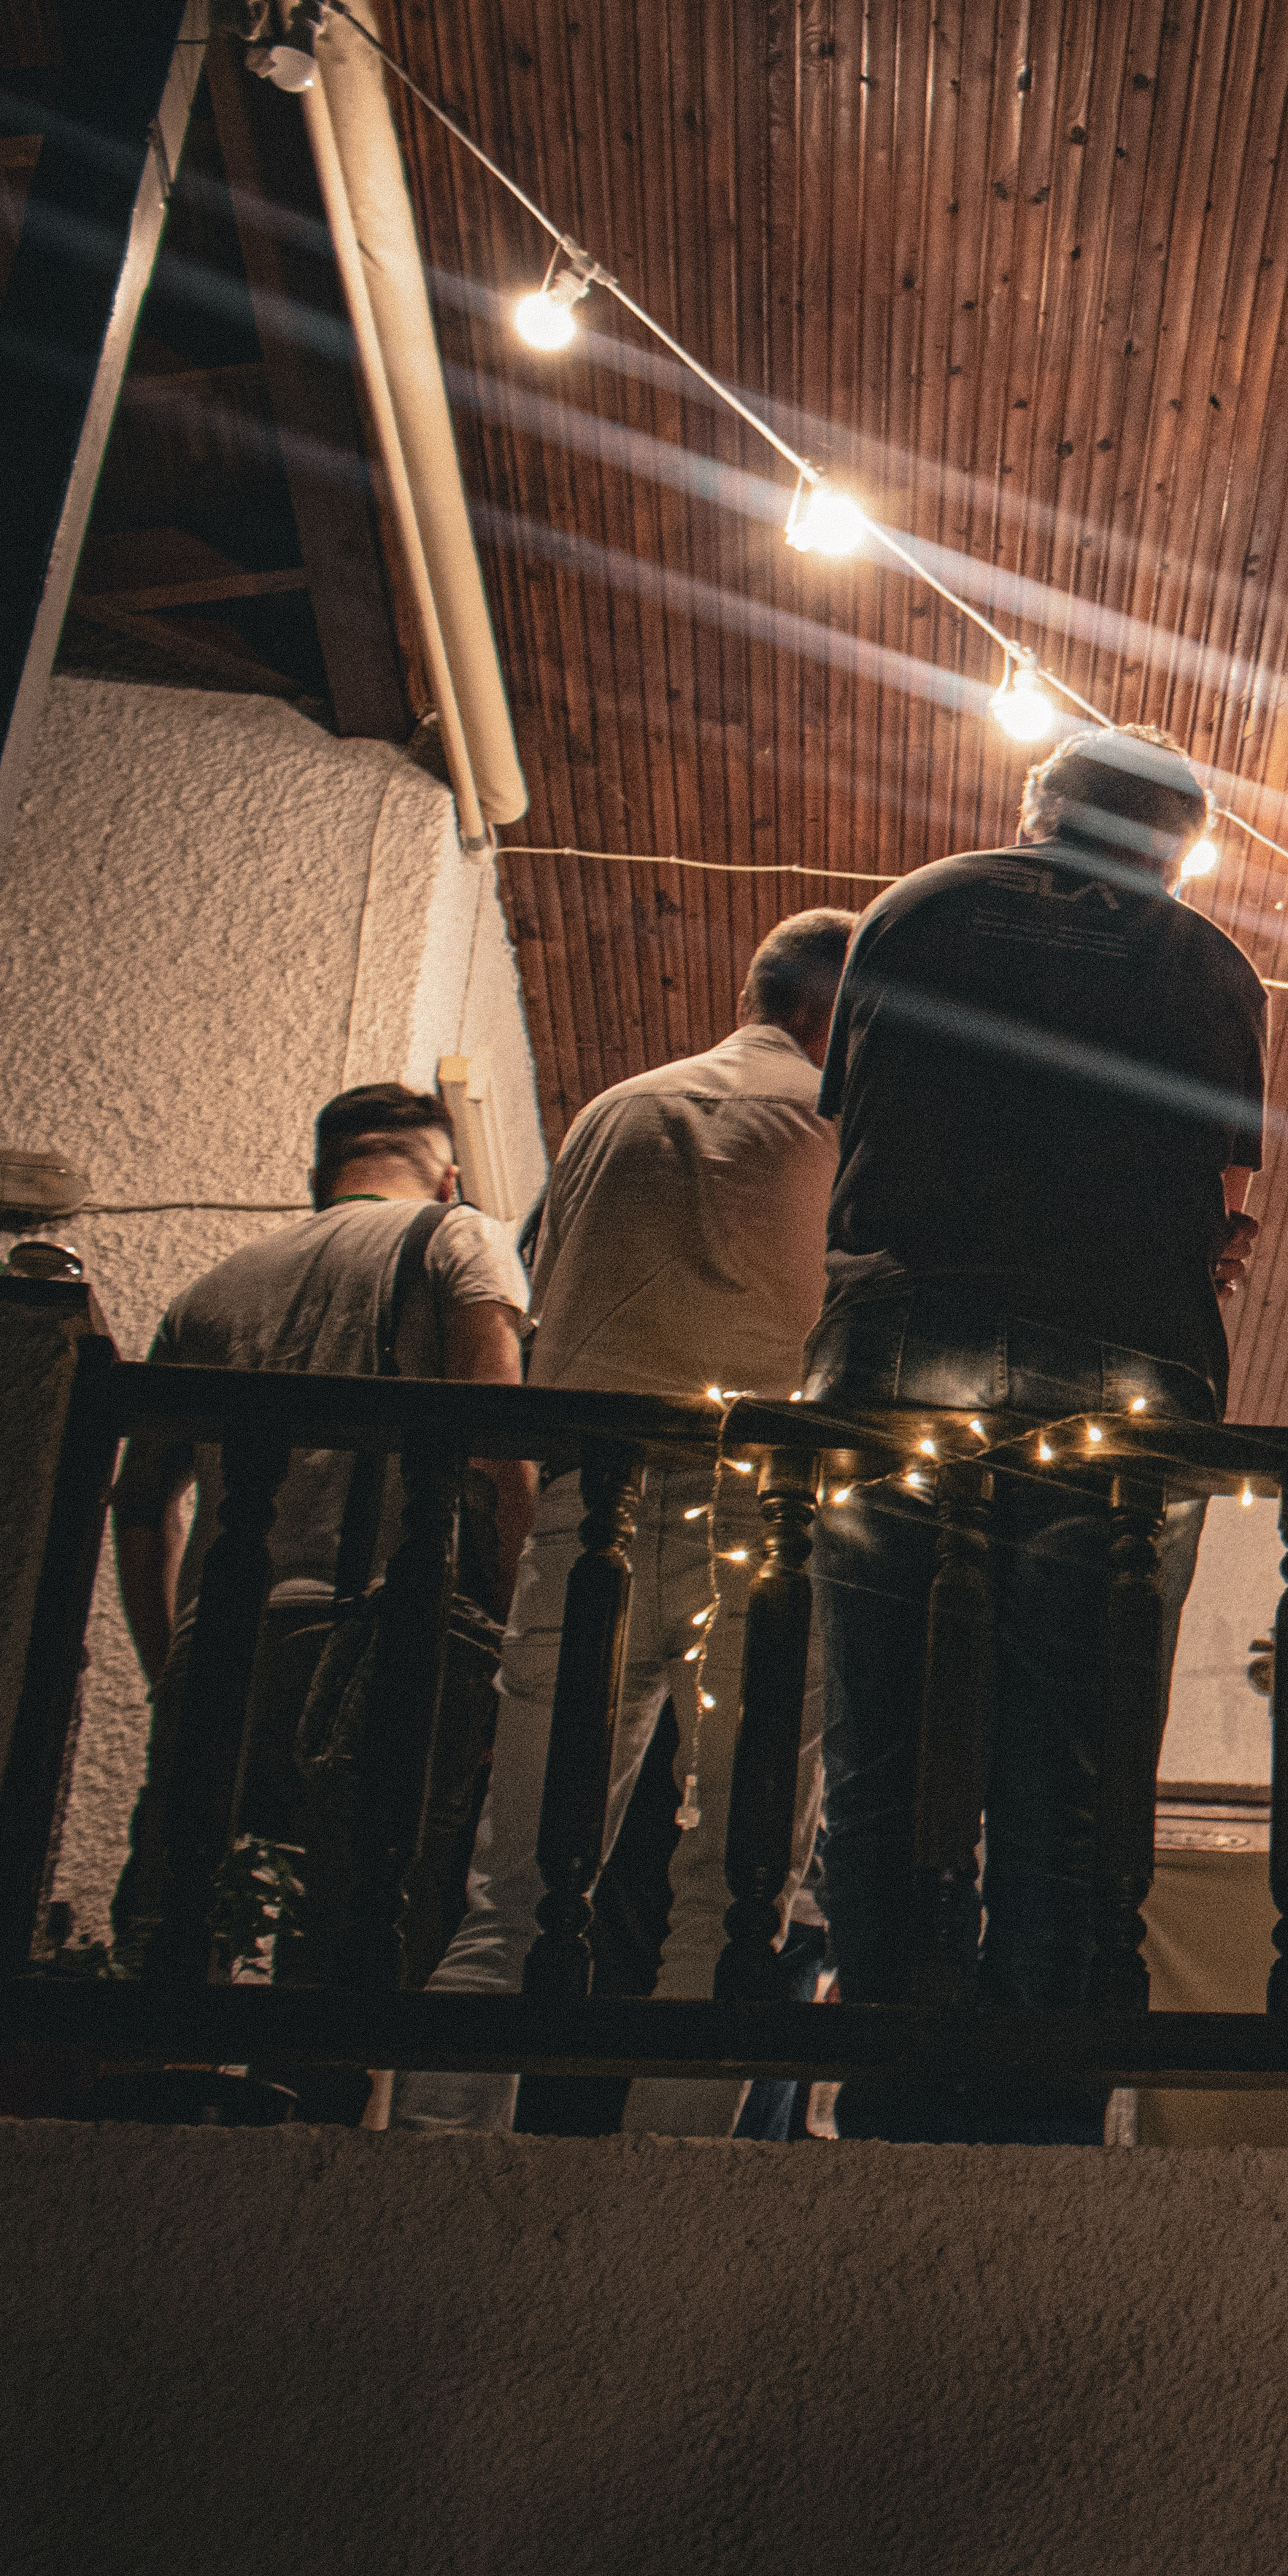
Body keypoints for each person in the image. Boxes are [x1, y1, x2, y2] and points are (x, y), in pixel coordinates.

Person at [806, 728, 1265, 2146]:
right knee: (1075, 1752)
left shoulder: (919, 905)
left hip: (903, 1345)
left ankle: (888, 2065)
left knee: (886, 1723)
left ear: (1035, 811)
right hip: (1126, 1368)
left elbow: (861, 1132)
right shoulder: (1213, 969)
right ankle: (1047, 2094)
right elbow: (1214, 1188)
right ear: (1179, 844)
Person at [397, 908, 860, 2139]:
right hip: (760, 1524)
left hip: (587, 1513)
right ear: (843, 1006)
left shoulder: (618, 1107)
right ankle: (670, 2174)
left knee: (518, 1886)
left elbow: (548, 1285)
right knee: (736, 1890)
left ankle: (439, 2148)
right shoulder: (832, 1121)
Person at [109, 1084, 538, 2066]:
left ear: (322, 1174)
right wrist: (521, 1636)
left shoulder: (212, 1288)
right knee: (354, 1946)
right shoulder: (458, 1237)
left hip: (225, 1645)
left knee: (176, 1933)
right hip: (392, 1639)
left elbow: (138, 1505)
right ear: (449, 1173)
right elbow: (495, 1439)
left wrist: (168, 1659)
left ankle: (141, 2143)